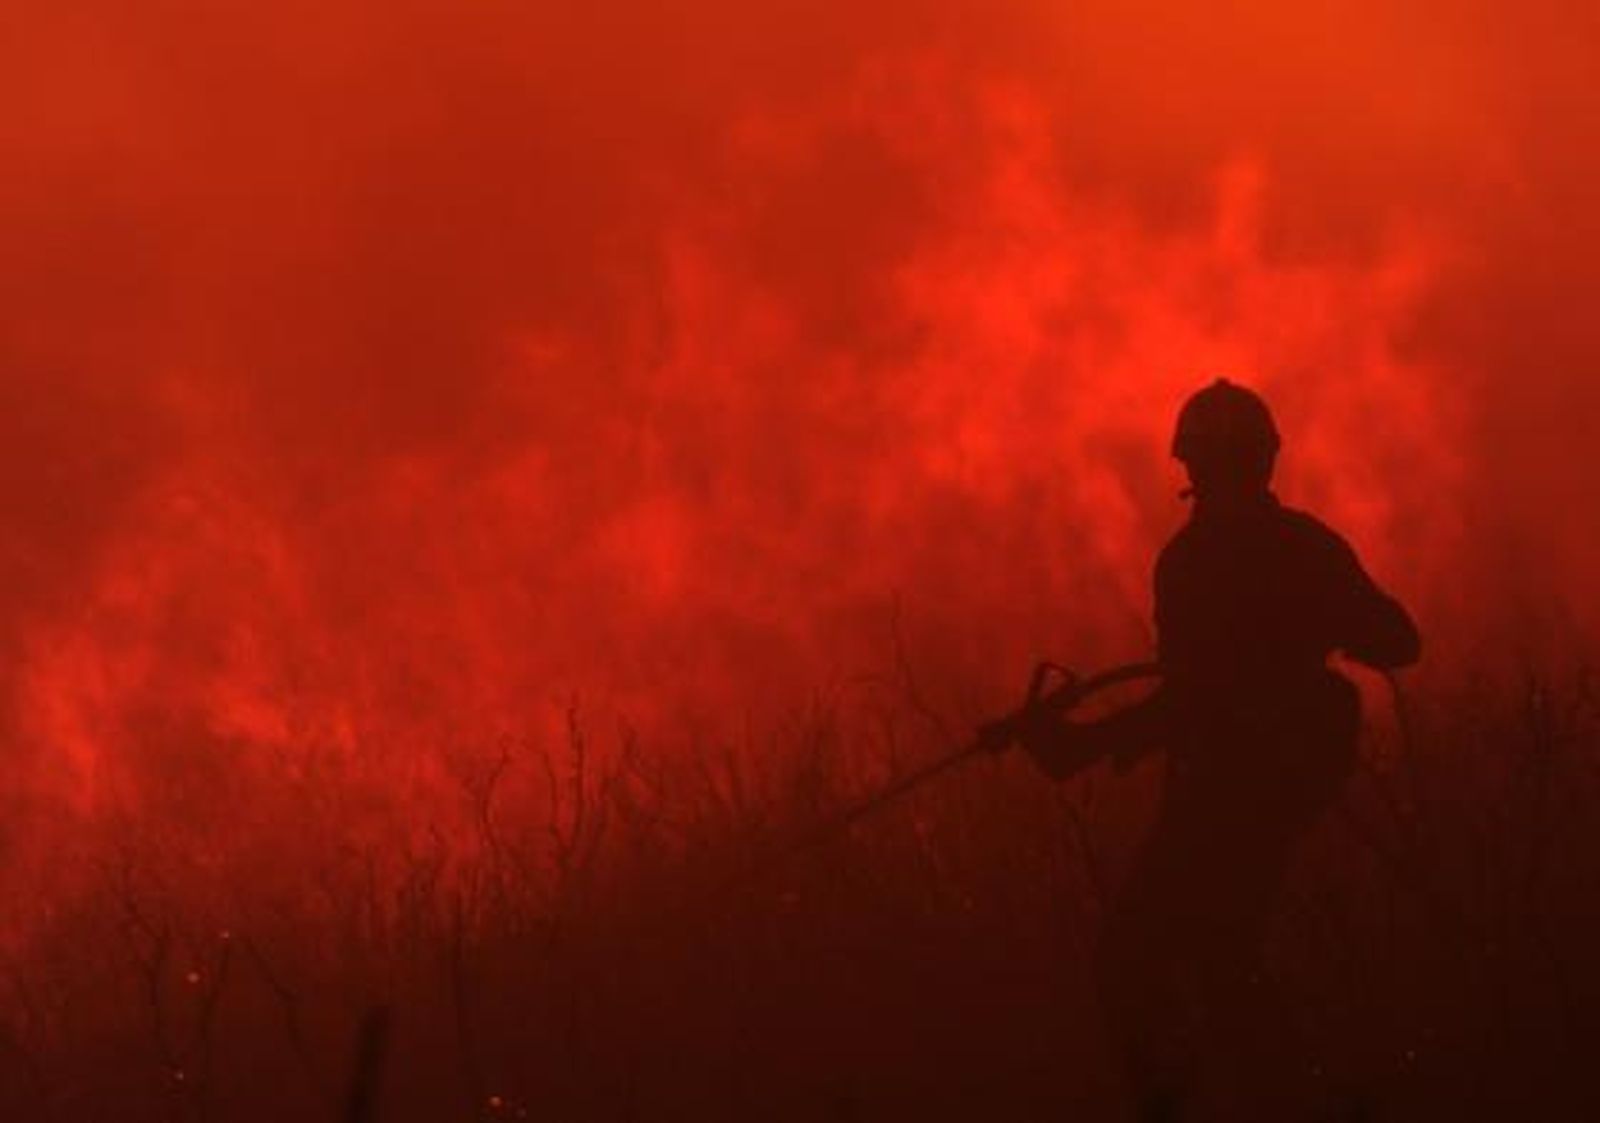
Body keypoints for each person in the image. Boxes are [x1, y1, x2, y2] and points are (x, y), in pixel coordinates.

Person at [1020, 379, 1420, 1120]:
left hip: (1251, 786)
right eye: (1220, 465)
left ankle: (1223, 1097)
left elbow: (1394, 640)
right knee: (1209, 951)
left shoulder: (1227, 559)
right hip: (1248, 778)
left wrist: (1092, 742)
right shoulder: (1267, 552)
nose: (1222, 482)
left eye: (1225, 465)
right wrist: (1091, 741)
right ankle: (1280, 1095)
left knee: (1161, 952)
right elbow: (1192, 697)